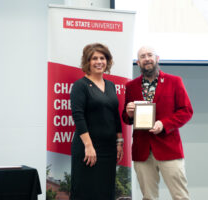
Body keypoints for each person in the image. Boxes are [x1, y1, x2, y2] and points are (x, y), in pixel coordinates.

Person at [122, 46, 193, 200]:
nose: (146, 58)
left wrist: (164, 124)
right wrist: (128, 113)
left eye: (150, 55)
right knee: (148, 197)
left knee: (180, 196)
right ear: (138, 62)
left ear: (157, 58)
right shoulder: (131, 86)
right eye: (142, 56)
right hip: (142, 151)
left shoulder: (174, 81)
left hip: (169, 148)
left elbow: (186, 111)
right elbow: (126, 118)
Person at [70, 43, 124, 200]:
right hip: (88, 149)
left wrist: (119, 142)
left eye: (102, 58)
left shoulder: (111, 85)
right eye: (94, 58)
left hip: (108, 149)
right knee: (85, 191)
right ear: (88, 62)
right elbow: (78, 116)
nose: (99, 61)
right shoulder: (80, 86)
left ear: (107, 61)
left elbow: (115, 115)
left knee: (105, 192)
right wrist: (89, 146)